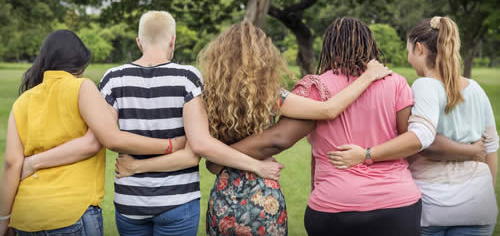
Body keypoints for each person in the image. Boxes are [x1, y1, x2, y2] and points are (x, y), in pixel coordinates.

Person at [115, 21, 391, 235]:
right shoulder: (270, 96)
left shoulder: (205, 96)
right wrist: (367, 76)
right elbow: (327, 110)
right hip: (264, 196)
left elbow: (198, 144)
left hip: (223, 199)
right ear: (264, 57)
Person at [0, 30, 196, 236]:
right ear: (79, 63)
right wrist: (171, 145)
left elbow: (12, 164)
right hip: (71, 211)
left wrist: (4, 219)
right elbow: (108, 139)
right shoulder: (81, 88)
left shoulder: (22, 101)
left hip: (26, 216)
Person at [330, 16, 498, 236]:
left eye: (408, 51)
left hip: (435, 204)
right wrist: (488, 190)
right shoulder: (476, 88)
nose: (408, 58)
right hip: (479, 204)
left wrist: (366, 154)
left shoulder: (425, 85)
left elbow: (421, 139)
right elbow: (492, 146)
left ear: (419, 49)